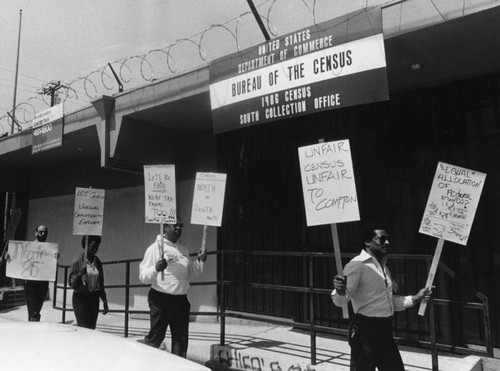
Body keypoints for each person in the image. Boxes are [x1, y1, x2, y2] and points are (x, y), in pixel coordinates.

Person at [331, 224, 432, 371]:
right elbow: (342, 301)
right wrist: (340, 291)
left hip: (385, 332)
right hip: (366, 332)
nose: (387, 243)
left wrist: (416, 298)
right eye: (382, 239)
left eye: (388, 239)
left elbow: (388, 302)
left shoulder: (383, 267)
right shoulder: (357, 265)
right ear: (367, 242)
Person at [139, 218, 207, 357]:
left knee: (181, 342)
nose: (178, 228)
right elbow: (143, 276)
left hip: (181, 301)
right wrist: (156, 269)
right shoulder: (155, 248)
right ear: (165, 228)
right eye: (174, 225)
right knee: (155, 339)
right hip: (161, 300)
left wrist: (199, 261)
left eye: (180, 225)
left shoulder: (183, 250)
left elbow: (189, 275)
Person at [68, 235, 109, 329]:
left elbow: (101, 283)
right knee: (83, 329)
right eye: (92, 246)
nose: (95, 249)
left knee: (91, 329)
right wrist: (79, 274)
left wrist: (104, 301)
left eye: (97, 247)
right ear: (86, 246)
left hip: (94, 299)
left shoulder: (97, 262)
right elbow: (71, 283)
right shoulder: (77, 262)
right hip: (81, 299)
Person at [24, 225, 51, 321]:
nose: (43, 234)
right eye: (41, 232)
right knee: (34, 311)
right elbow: (20, 260)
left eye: (45, 232)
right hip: (31, 283)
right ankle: (33, 330)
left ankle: (32, 327)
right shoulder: (29, 246)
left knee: (36, 310)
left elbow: (52, 267)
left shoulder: (50, 249)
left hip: (43, 283)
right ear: (36, 233)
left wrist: (55, 258)